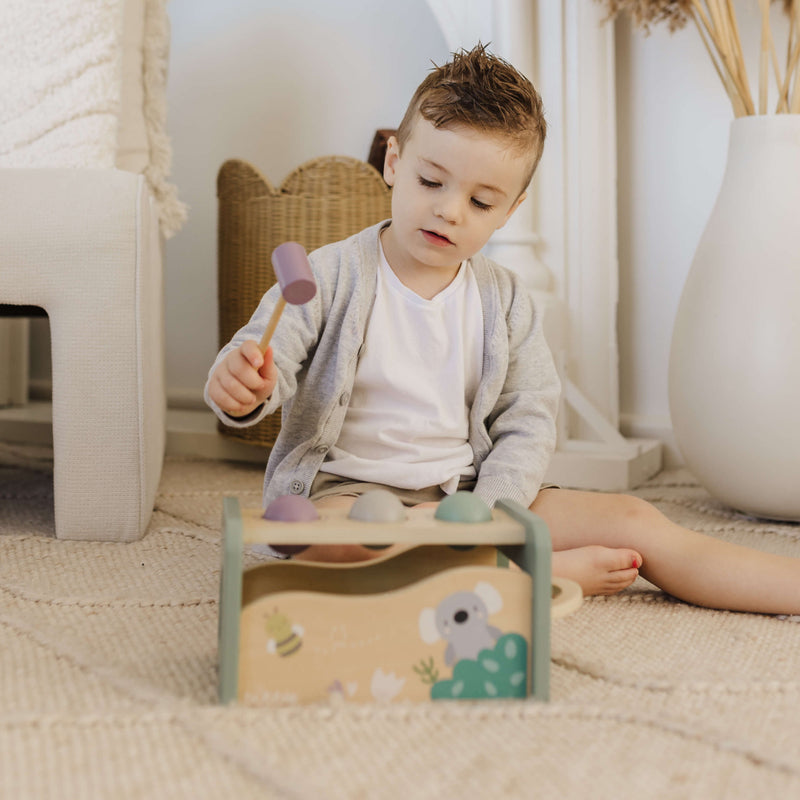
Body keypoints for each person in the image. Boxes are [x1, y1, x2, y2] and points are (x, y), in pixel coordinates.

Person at [206, 44, 800, 614]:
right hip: (348, 497)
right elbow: (264, 360)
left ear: (511, 210)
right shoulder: (328, 274)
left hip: (471, 496)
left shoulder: (506, 300)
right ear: (393, 162)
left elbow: (528, 421)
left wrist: (488, 513)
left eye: (482, 202)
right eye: (431, 182)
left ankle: (486, 555)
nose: (450, 210)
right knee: (312, 542)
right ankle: (521, 571)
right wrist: (241, 385)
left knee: (637, 521)